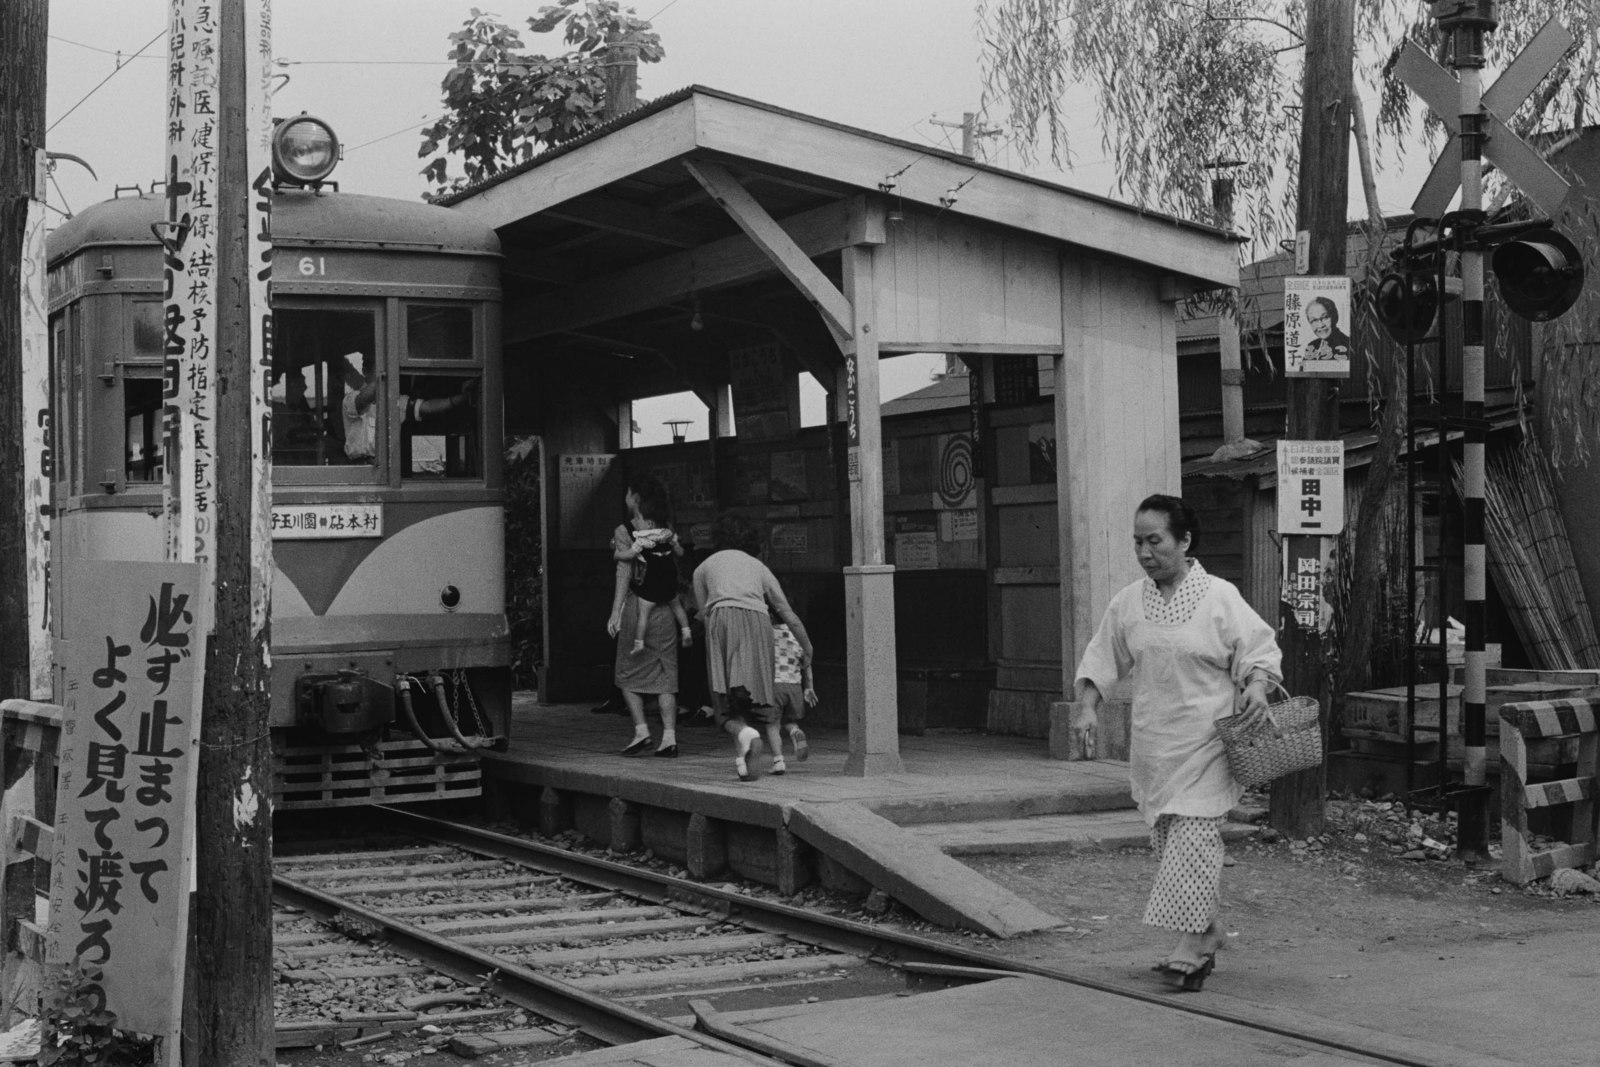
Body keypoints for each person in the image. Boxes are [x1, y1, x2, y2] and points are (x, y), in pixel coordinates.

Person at [1070, 493, 1280, 985]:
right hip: (1154, 745)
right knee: (1169, 842)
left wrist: (1255, 686)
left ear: (1185, 541)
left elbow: (1258, 650)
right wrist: (1086, 709)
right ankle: (1207, 930)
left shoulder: (1220, 596)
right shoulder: (1127, 603)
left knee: (1195, 838)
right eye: (1137, 542)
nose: (1144, 552)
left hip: (1208, 741)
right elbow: (1101, 659)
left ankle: (1191, 942)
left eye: (1155, 540)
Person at [692, 513, 813, 781]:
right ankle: (743, 762)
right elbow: (785, 611)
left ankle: (744, 735)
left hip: (721, 622)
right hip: (760, 625)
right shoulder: (760, 568)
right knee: (752, 696)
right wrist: (808, 648)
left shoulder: (703, 568)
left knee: (725, 700)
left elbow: (704, 613)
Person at [606, 475, 682, 757]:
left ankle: (641, 732)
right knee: (665, 674)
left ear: (636, 498)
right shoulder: (665, 529)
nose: (626, 498)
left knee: (627, 671)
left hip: (638, 608)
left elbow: (623, 572)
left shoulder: (624, 531)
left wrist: (615, 612)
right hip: (665, 611)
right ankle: (670, 738)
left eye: (628, 493)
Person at [341, 351, 476, 463]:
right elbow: (364, 399)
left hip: (387, 469)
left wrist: (462, 398)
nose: (389, 374)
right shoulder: (350, 399)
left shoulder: (396, 400)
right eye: (381, 369)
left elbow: (427, 407)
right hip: (360, 470)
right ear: (365, 371)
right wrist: (384, 373)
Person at [612, 496, 692, 656]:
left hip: (651, 586)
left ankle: (639, 643)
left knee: (643, 615)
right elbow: (680, 553)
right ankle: (686, 631)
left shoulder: (642, 539)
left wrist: (616, 554)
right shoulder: (668, 534)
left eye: (638, 518)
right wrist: (675, 546)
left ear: (649, 523)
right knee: (678, 608)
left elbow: (627, 556)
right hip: (669, 584)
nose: (635, 521)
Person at [764, 611, 816, 775]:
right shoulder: (797, 636)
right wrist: (809, 687)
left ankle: (778, 761)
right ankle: (795, 732)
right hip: (794, 686)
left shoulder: (767, 634)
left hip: (775, 685)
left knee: (772, 724)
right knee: (789, 720)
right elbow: (807, 663)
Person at [1300, 296, 1350, 363]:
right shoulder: (1312, 346)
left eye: (1325, 317)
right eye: (1314, 320)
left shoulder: (1348, 344)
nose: (1320, 325)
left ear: (1335, 317)